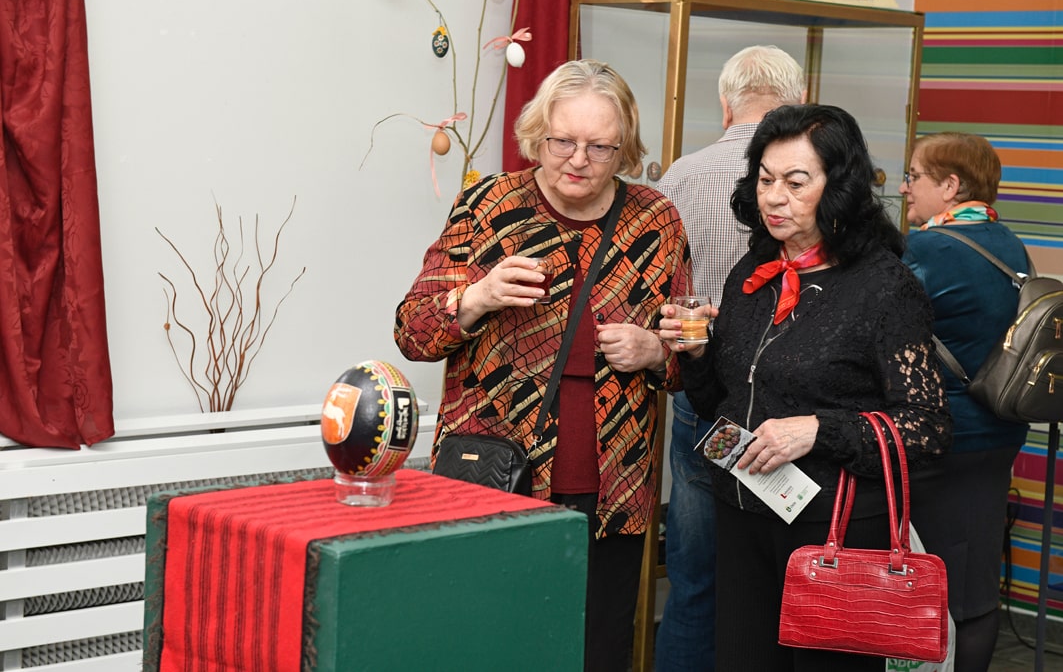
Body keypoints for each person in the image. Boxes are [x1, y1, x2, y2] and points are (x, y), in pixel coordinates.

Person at [394, 59, 693, 672]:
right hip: (493, 474)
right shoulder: (489, 204)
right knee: (488, 645)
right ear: (539, 134)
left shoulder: (655, 220)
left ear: (623, 147)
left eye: (599, 147)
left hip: (612, 488)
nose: (577, 160)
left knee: (595, 649)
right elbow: (412, 331)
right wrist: (477, 296)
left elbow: (691, 360)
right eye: (562, 141)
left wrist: (656, 351)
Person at [659, 103, 953, 672]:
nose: (774, 198)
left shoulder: (882, 286)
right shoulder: (754, 269)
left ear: (838, 187)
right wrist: (696, 355)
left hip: (833, 529)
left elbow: (929, 428)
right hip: (743, 511)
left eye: (796, 183)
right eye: (766, 179)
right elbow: (719, 402)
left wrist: (818, 430)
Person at [654, 44, 805, 672]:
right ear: (800, 103)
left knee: (695, 578)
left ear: (725, 104)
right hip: (793, 410)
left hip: (705, 394)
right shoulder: (818, 182)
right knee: (780, 584)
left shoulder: (681, 177)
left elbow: (651, 293)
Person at [900, 132, 1029, 671]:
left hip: (940, 441)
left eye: (914, 176)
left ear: (951, 185)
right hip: (999, 434)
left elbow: (881, 326)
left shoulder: (927, 249)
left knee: (924, 588)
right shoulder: (1009, 244)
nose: (904, 188)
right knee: (974, 588)